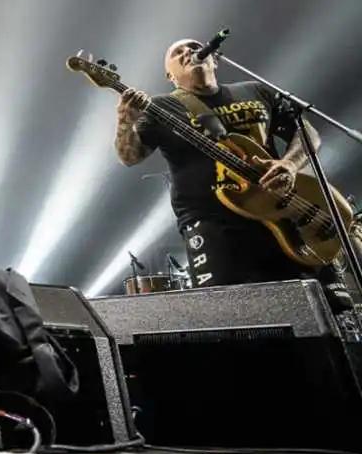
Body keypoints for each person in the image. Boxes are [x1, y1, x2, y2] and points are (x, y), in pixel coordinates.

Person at [115, 38, 353, 313]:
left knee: (321, 312)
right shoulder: (160, 108)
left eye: (193, 46)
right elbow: (129, 156)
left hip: (287, 215)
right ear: (169, 75)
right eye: (177, 52)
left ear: (214, 58)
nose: (188, 52)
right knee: (234, 314)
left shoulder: (255, 91)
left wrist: (288, 165)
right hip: (216, 226)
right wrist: (125, 120)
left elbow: (307, 133)